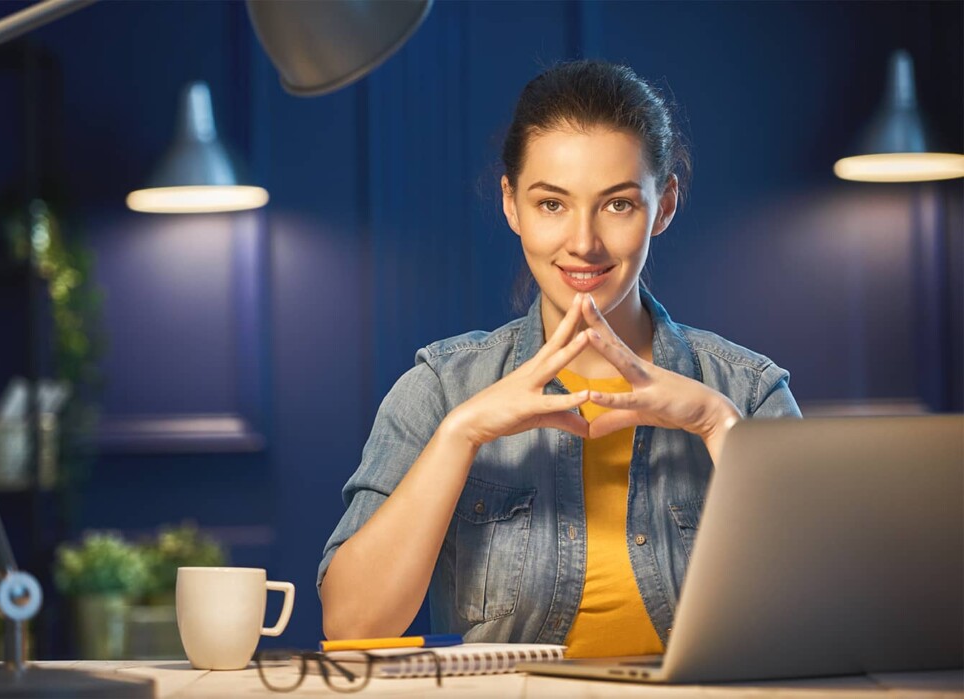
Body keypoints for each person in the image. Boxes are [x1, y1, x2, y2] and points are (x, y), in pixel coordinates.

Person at [317, 60, 801, 657]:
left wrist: (716, 424)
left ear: (665, 204)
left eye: (618, 204)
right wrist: (462, 434)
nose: (583, 242)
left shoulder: (749, 391)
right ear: (512, 204)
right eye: (552, 204)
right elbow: (352, 625)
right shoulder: (441, 388)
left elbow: (827, 613)